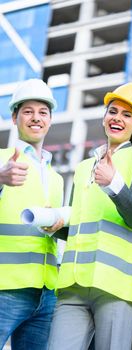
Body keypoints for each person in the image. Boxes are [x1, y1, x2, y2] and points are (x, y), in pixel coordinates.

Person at [48, 82, 132, 350]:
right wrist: (56, 226)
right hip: (74, 284)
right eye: (113, 111)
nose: (117, 118)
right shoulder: (86, 166)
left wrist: (114, 183)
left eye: (126, 114)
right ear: (104, 117)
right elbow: (81, 225)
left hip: (116, 288)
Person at [0, 79, 64, 350]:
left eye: (42, 112)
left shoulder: (56, 177)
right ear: (15, 117)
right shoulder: (2, 158)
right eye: (28, 111)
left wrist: (60, 225)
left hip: (46, 295)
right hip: (5, 289)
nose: (36, 118)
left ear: (50, 119)